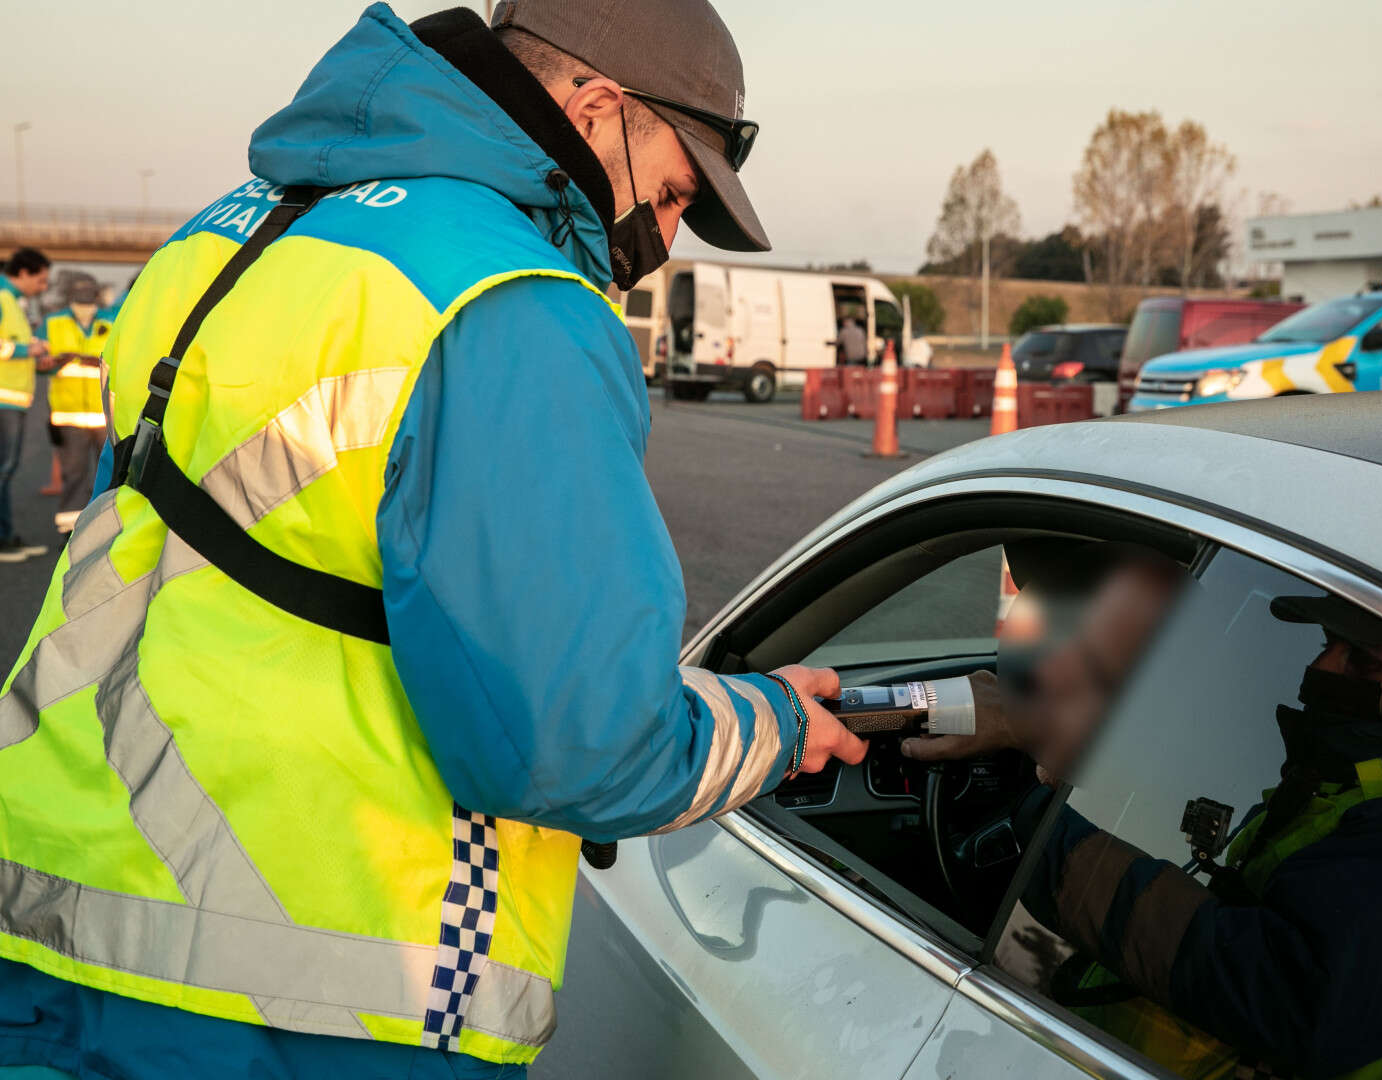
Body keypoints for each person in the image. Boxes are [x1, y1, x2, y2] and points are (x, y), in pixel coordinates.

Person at [0, 4, 865, 1079]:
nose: (668, 233)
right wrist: (773, 722)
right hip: (312, 995)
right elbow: (578, 744)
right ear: (599, 110)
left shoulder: (218, 238)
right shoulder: (508, 302)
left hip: (50, 921)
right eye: (677, 189)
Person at [908, 589, 1382, 1080]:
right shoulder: (1351, 796)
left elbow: (1285, 996)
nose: (1322, 663)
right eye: (1328, 642)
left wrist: (1048, 844)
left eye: (1361, 659)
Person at [41, 277, 113, 535]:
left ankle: (104, 533)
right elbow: (40, 363)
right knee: (74, 480)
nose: (85, 305)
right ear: (71, 299)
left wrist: (85, 360)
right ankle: (69, 535)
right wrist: (51, 363)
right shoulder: (53, 324)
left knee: (111, 478)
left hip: (104, 417)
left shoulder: (112, 321)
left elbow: (120, 361)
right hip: (68, 417)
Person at [0, 247, 52, 563]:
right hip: (3, 400)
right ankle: (3, 540)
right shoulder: (3, 299)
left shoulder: (14, 303)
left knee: (6, 471)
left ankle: (7, 535)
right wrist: (27, 350)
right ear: (23, 273)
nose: (43, 287)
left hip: (13, 400)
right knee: (3, 471)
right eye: (41, 280)